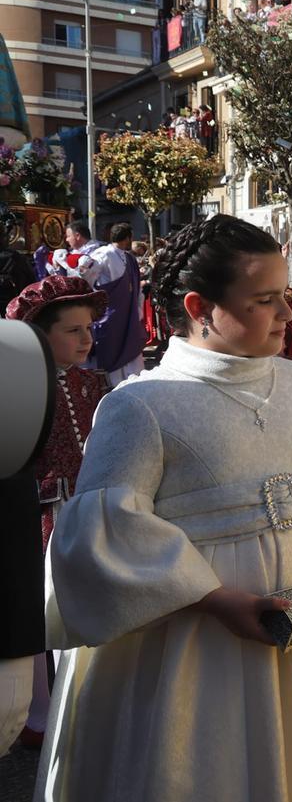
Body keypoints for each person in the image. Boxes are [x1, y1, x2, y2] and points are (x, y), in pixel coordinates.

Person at [35, 215, 292, 802]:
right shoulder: (143, 405)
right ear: (200, 307)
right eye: (264, 300)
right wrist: (215, 599)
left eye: (286, 295)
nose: (288, 313)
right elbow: (111, 531)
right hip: (195, 643)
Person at [6, 276, 109, 749]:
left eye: (89, 328)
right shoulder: (17, 385)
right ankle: (36, 711)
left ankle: (87, 696)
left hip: (88, 509)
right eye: (73, 330)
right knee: (39, 608)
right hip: (39, 515)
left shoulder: (95, 383)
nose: (86, 339)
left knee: (87, 602)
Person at [83, 223, 148, 387]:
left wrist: (137, 309)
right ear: (127, 238)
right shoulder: (103, 254)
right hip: (111, 314)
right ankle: (113, 385)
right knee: (113, 347)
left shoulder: (129, 258)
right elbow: (87, 276)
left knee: (131, 347)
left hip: (128, 312)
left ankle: (132, 383)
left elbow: (137, 288)